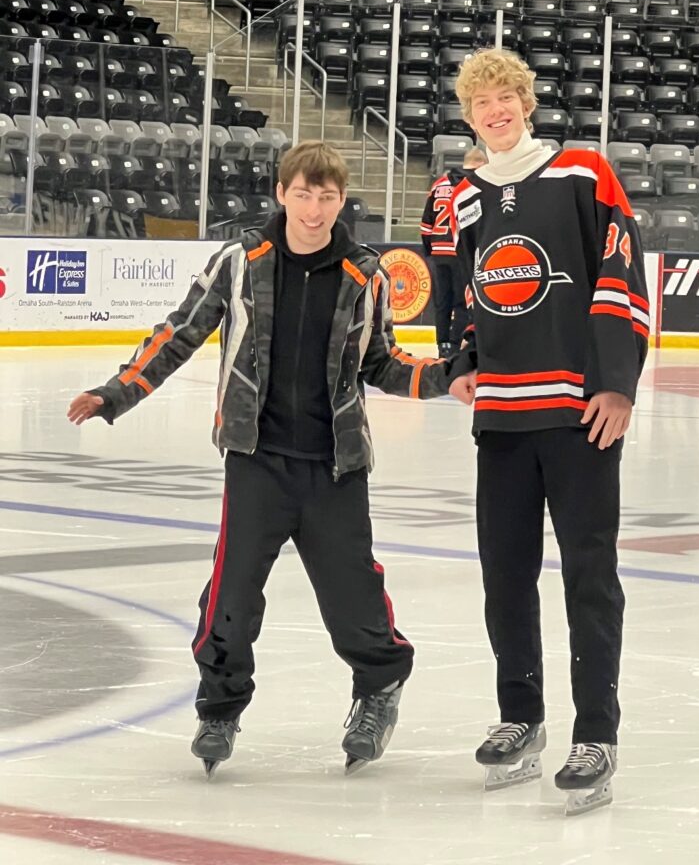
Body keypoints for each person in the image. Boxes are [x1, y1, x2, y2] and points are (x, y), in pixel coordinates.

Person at [67, 140, 453, 778]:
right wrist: (116, 393)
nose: (314, 208)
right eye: (303, 193)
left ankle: (378, 688)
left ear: (340, 201)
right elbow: (178, 333)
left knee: (353, 599)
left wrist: (445, 379)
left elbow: (381, 361)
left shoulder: (366, 273)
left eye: (327, 197)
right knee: (230, 597)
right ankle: (220, 706)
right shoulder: (239, 262)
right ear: (281, 193)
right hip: (256, 462)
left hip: (335, 467)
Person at [446, 49, 648, 815]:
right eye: (481, 103)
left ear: (527, 103)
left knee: (587, 576)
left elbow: (622, 275)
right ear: (469, 116)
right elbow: (464, 290)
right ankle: (519, 717)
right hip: (500, 414)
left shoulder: (583, 173)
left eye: (506, 97)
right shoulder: (463, 195)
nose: (495, 111)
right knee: (505, 574)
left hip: (577, 414)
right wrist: (461, 358)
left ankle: (595, 731)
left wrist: (617, 385)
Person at [420, 146, 487, 358]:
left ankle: (442, 344)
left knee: (442, 301)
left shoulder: (439, 184)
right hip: (461, 251)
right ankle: (455, 344)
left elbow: (425, 222)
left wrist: (430, 248)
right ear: (481, 164)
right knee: (461, 301)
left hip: (439, 251)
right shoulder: (476, 184)